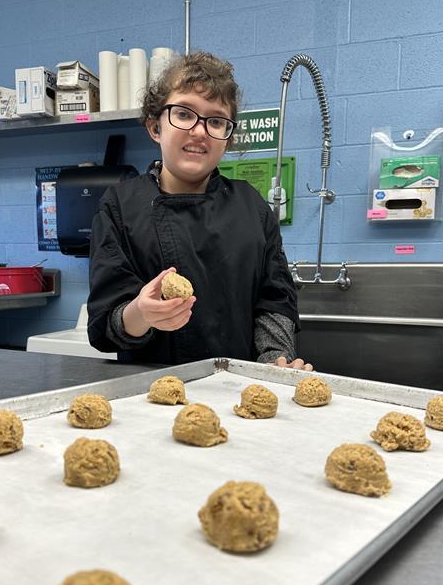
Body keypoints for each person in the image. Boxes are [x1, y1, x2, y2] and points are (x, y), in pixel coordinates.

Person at [87, 51, 312, 371]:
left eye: (216, 121)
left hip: (238, 393)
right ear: (155, 126)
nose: (199, 130)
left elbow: (274, 301)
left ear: (227, 139)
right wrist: (141, 313)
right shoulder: (120, 206)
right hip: (152, 395)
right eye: (183, 114)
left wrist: (273, 362)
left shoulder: (253, 207)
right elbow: (107, 326)